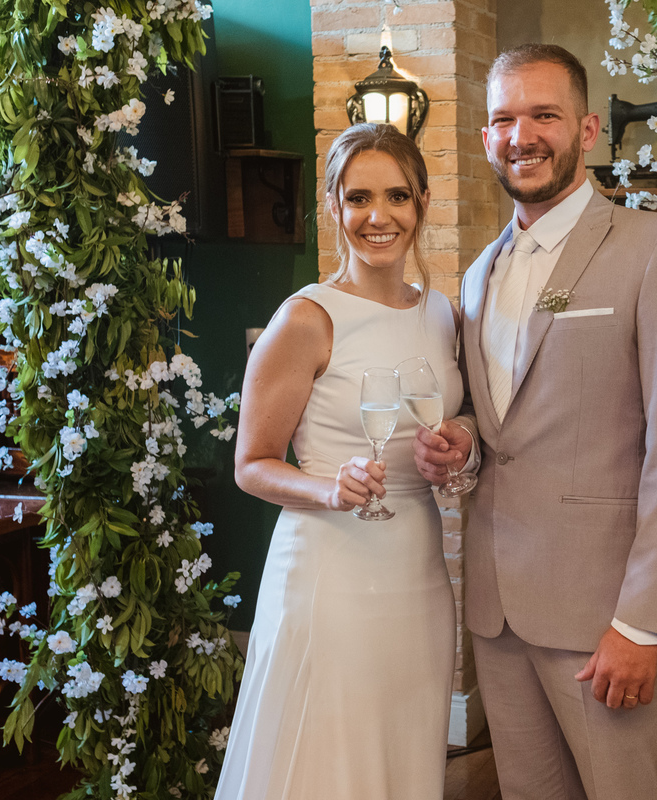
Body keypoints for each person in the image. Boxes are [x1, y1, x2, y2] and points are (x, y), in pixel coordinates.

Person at [414, 44, 657, 800]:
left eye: (543, 115)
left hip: (606, 617)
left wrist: (642, 624)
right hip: (499, 613)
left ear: (586, 130)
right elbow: (506, 423)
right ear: (485, 138)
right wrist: (463, 440)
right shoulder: (479, 273)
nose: (521, 136)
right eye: (503, 120)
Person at [218, 123, 460, 799]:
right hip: (332, 571)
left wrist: (457, 444)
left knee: (405, 748)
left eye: (397, 196)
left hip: (419, 571)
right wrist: (329, 489)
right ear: (333, 206)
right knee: (328, 758)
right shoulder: (306, 319)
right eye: (359, 198)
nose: (379, 216)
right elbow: (251, 464)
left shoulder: (442, 314)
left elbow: (460, 417)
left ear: (422, 202)